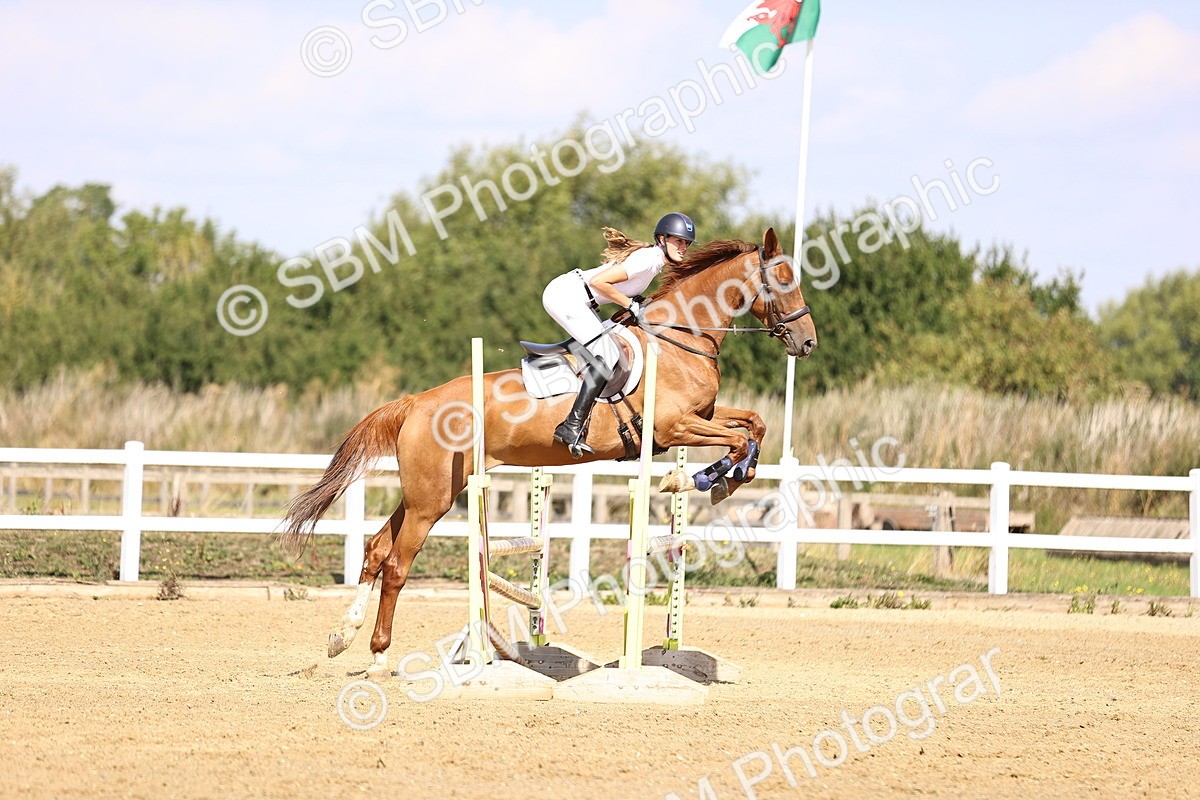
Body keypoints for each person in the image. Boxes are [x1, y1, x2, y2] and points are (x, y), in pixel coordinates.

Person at [542, 212, 696, 457]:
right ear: (662, 239)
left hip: (578, 300)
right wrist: (629, 304)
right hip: (565, 297)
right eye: (679, 241)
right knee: (609, 353)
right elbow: (600, 282)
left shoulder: (653, 263)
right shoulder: (647, 260)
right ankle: (571, 425)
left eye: (686, 243)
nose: (684, 247)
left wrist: (637, 303)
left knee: (611, 347)